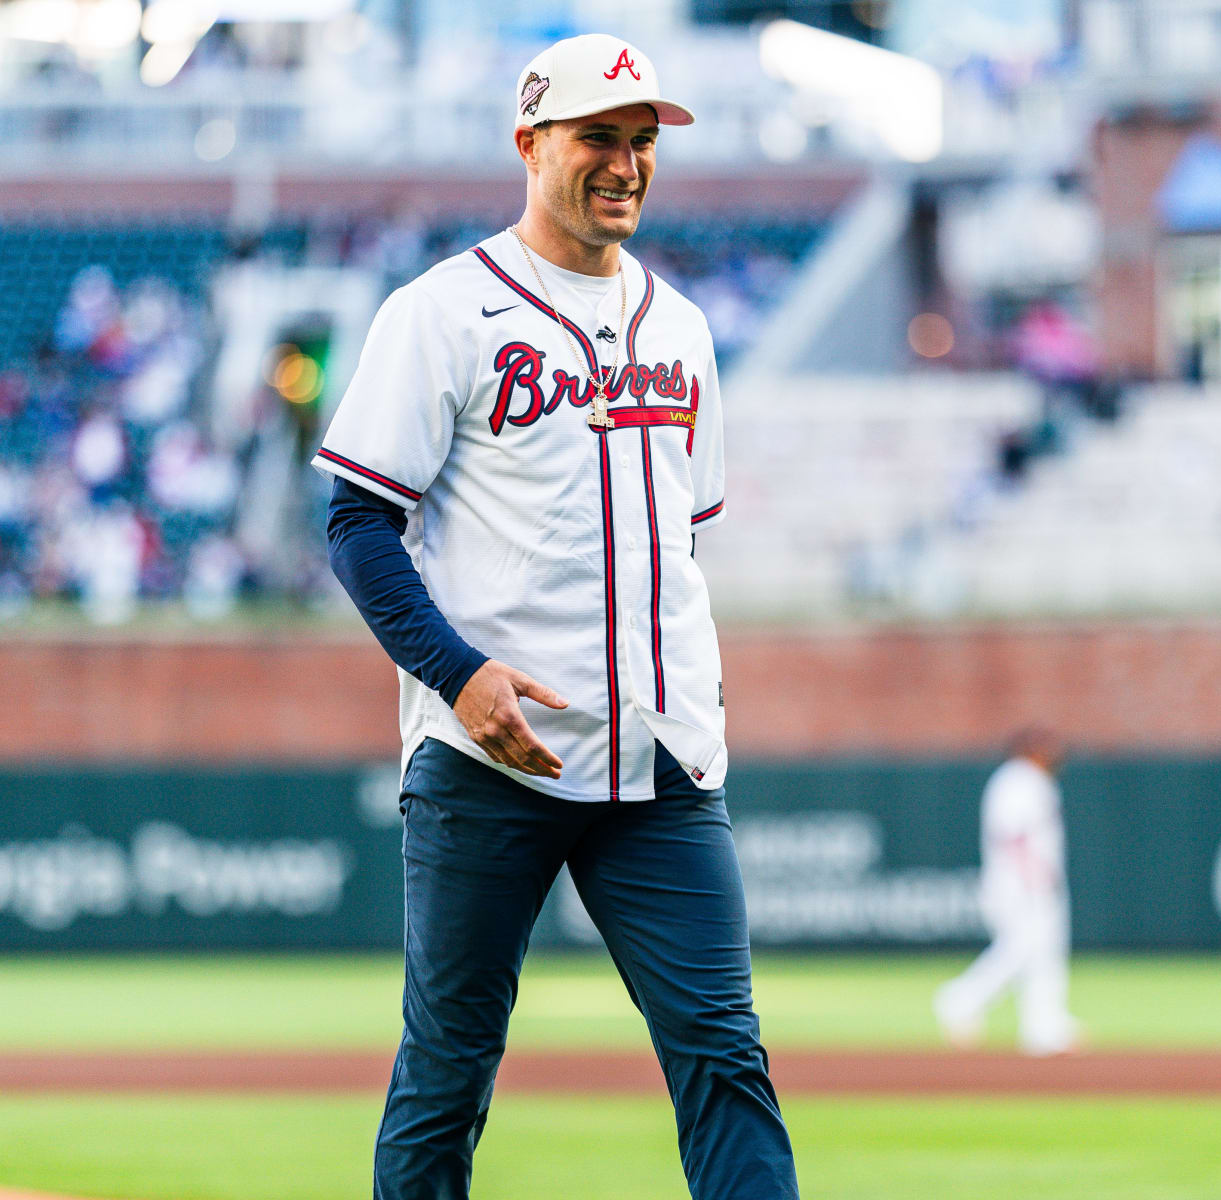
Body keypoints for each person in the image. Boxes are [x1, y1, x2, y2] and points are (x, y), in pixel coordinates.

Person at [313, 33, 798, 1200]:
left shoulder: (681, 326)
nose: (625, 165)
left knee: (725, 1055)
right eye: (599, 139)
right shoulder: (442, 311)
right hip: (492, 757)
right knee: (447, 1072)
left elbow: (682, 535)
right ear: (530, 143)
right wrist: (458, 673)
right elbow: (357, 526)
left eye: (641, 144)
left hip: (662, 766)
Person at [934, 727, 1082, 1056]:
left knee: (1041, 953)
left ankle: (1043, 1026)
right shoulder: (1019, 780)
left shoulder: (1032, 780)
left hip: (1028, 881)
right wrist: (1033, 880)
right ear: (1028, 749)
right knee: (1024, 950)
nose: (1054, 754)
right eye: (1046, 746)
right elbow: (1013, 834)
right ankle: (961, 999)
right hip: (1021, 883)